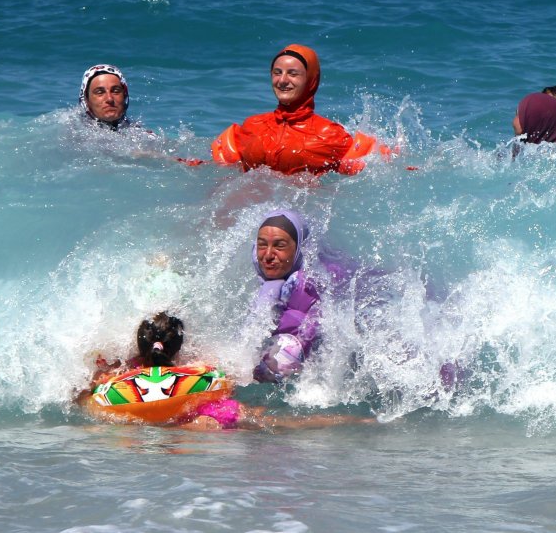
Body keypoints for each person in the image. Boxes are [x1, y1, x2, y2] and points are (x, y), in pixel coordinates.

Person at [83, 312, 372, 430]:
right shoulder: (196, 367)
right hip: (203, 414)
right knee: (270, 420)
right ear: (179, 346)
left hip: (131, 412)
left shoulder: (122, 371)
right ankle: (351, 421)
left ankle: (178, 429)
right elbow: (224, 379)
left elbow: (91, 394)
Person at [212, 44, 389, 176]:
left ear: (311, 80)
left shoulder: (329, 134)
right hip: (253, 205)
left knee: (272, 228)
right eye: (277, 72)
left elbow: (370, 165)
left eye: (293, 73)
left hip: (300, 210)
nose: (282, 80)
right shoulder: (253, 125)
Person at [248, 209, 323, 383]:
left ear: (299, 249)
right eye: (262, 245)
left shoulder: (309, 288)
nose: (267, 255)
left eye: (279, 246)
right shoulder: (273, 279)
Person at [79, 64, 133, 131]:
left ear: (125, 96)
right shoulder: (70, 132)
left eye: (116, 91)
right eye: (100, 92)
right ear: (86, 100)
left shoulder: (142, 135)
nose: (109, 99)